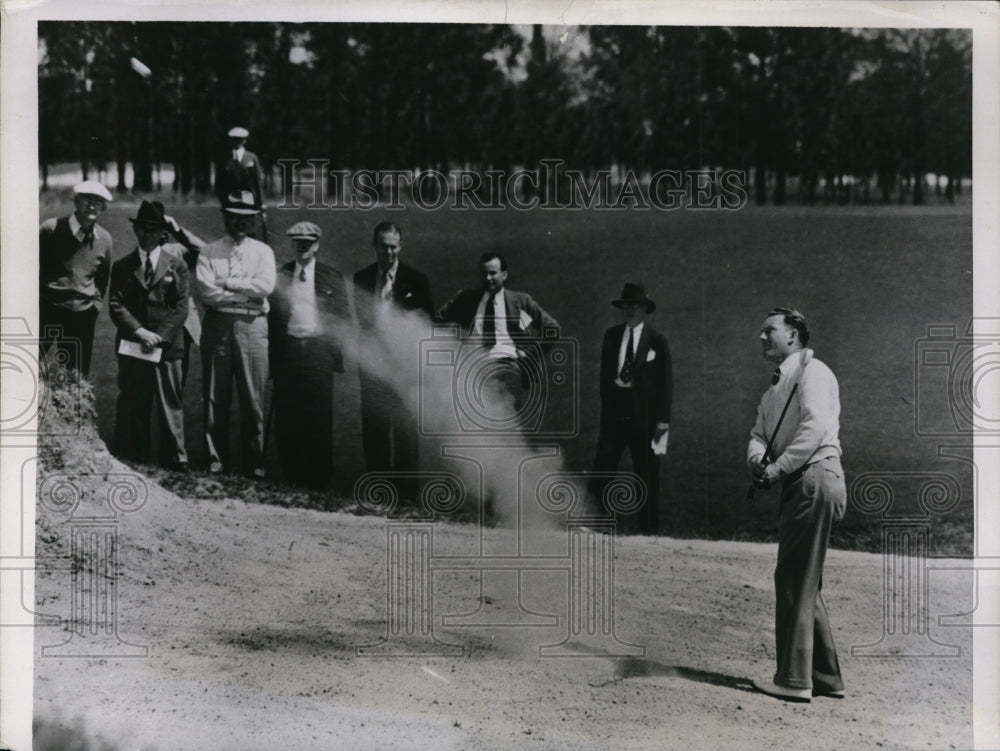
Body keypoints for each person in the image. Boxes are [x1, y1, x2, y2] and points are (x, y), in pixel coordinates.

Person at [747, 307, 846, 703]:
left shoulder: (814, 372)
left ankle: (793, 680)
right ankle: (825, 677)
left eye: (768, 329)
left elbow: (816, 428)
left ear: (793, 336)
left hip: (813, 478)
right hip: (805, 482)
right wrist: (757, 460)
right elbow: (758, 431)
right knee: (804, 580)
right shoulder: (776, 385)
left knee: (792, 580)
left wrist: (777, 468)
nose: (761, 336)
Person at [195, 190, 276, 478]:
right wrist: (244, 293)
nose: (239, 222)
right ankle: (216, 460)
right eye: (233, 216)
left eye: (245, 217)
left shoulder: (263, 251)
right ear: (225, 217)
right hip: (218, 327)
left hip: (253, 327)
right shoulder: (209, 251)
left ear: (254, 220)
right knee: (216, 397)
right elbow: (207, 292)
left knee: (253, 399)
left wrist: (228, 283)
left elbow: (265, 287)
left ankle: (254, 463)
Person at [107, 201, 191, 470]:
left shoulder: (177, 265)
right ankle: (135, 459)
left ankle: (175, 461)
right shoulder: (122, 266)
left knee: (170, 404)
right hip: (134, 345)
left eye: (152, 229)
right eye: (141, 229)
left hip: (167, 348)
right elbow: (116, 305)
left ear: (162, 233)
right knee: (134, 401)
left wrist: (159, 336)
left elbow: (180, 307)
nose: (145, 235)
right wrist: (140, 331)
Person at [352, 222, 433, 497]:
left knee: (406, 434)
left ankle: (408, 498)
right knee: (374, 432)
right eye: (383, 246)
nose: (388, 252)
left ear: (400, 246)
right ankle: (379, 494)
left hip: (405, 371)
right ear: (374, 246)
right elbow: (361, 324)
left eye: (393, 246)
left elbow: (428, 326)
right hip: (373, 367)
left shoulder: (417, 280)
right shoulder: (361, 279)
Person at [268, 221, 349, 489]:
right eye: (298, 243)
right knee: (288, 417)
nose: (303, 247)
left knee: (319, 419)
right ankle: (292, 479)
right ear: (292, 244)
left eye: (308, 243)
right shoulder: (281, 275)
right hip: (288, 352)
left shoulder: (331, 277)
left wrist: (331, 351)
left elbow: (343, 319)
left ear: (316, 245)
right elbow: (271, 320)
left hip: (318, 354)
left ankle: (319, 483)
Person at [589, 283, 671, 535]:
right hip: (615, 415)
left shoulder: (657, 341)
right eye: (627, 305)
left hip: (645, 419)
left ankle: (650, 533)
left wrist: (661, 428)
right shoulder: (611, 336)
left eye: (636, 305)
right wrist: (609, 411)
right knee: (602, 468)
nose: (631, 310)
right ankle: (596, 526)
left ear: (645, 309)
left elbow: (665, 386)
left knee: (647, 475)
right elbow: (604, 378)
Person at [436, 251, 560, 416]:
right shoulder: (465, 298)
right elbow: (437, 320)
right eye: (484, 274)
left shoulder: (521, 301)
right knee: (472, 426)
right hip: (472, 371)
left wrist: (529, 355)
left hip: (508, 370)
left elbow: (552, 328)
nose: (488, 279)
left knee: (506, 426)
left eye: (493, 273)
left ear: (504, 274)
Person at [39, 180, 114, 377]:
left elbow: (102, 279)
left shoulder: (105, 239)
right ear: (76, 202)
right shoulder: (50, 229)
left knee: (77, 376)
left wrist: (94, 307)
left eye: (98, 202)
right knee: (27, 365)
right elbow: (29, 268)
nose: (92, 205)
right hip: (47, 309)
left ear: (103, 207)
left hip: (81, 315)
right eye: (87, 200)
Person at [215, 126, 267, 240]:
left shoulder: (252, 158)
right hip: (231, 202)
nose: (237, 142)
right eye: (235, 139)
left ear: (245, 140)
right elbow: (219, 182)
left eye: (240, 139)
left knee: (249, 229)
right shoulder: (224, 158)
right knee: (232, 230)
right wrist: (223, 200)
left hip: (250, 201)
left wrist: (261, 203)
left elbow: (258, 182)